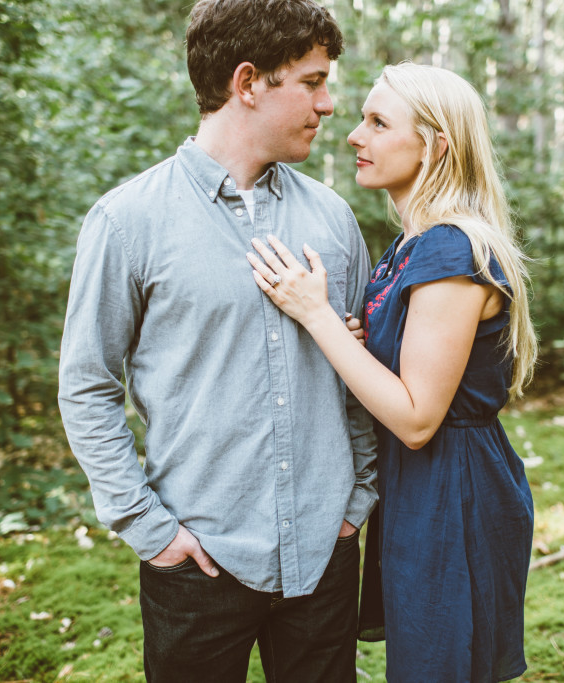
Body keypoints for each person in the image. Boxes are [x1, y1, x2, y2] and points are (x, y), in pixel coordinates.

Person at [57, 1, 378, 681]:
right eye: (313, 82)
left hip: (324, 552)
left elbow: (361, 369)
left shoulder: (334, 217)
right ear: (248, 82)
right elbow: (87, 384)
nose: (328, 105)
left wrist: (356, 502)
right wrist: (150, 529)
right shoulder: (127, 221)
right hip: (196, 562)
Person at [247, 62, 538, 682]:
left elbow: (415, 418)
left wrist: (317, 316)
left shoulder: (452, 250)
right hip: (416, 489)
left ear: (437, 146)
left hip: (452, 491)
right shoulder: (409, 246)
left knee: (441, 664)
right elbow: (405, 367)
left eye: (378, 123)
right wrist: (363, 341)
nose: (355, 135)